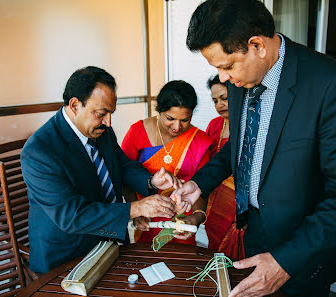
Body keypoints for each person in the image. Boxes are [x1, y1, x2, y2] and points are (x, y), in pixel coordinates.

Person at [173, 0, 336, 296]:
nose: (223, 77)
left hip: (304, 248)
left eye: (227, 65)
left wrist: (286, 262)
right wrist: (199, 184)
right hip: (254, 232)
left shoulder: (333, 85)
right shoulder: (238, 80)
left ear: (257, 45)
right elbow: (241, 146)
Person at [21, 66, 181, 274]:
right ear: (75, 105)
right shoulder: (40, 151)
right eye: (101, 113)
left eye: (111, 113)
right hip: (66, 256)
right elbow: (72, 216)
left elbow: (121, 165)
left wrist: (151, 181)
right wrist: (137, 208)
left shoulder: (101, 130)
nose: (108, 122)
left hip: (108, 242)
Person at [121, 80, 212, 245]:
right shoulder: (137, 132)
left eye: (185, 120)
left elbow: (202, 185)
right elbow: (123, 175)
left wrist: (196, 217)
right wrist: (135, 210)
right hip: (146, 220)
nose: (177, 127)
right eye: (170, 118)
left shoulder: (199, 141)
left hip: (182, 221)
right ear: (159, 110)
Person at [204, 74, 245, 260]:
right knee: (214, 240)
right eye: (215, 100)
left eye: (224, 98)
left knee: (237, 245)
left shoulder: (246, 124)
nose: (219, 104)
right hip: (215, 198)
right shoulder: (214, 125)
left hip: (238, 198)